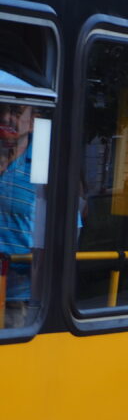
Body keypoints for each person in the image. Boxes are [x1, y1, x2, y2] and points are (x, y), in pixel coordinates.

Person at [0, 103, 37, 329]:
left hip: (15, 300)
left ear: (32, 122)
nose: (5, 117)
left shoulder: (47, 169)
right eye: (1, 109)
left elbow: (69, 233)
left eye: (15, 111)